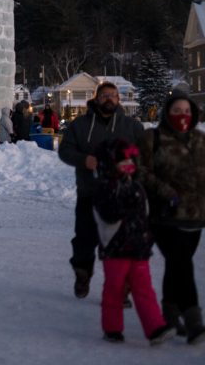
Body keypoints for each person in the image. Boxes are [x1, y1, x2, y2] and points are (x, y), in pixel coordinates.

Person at [58, 82, 144, 299]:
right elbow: (65, 150)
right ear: (96, 98)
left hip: (122, 195)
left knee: (120, 243)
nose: (109, 99)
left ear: (118, 99)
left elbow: (145, 154)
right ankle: (83, 273)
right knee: (84, 239)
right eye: (105, 95)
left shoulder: (131, 126)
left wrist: (131, 163)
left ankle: (121, 288)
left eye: (113, 95)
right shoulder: (80, 125)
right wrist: (83, 159)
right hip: (90, 191)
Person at [92, 138, 175, 345]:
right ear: (110, 163)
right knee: (115, 289)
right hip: (115, 248)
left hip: (138, 248)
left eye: (129, 160)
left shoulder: (135, 185)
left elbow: (144, 214)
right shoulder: (105, 187)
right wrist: (124, 205)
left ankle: (155, 328)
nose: (127, 164)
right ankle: (112, 328)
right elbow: (108, 215)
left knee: (144, 289)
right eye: (122, 160)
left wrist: (150, 232)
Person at [138, 91, 205, 345]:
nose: (182, 116)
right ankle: (193, 319)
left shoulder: (199, 140)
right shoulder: (152, 138)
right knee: (182, 265)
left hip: (195, 216)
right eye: (177, 111)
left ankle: (169, 312)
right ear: (167, 113)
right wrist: (164, 191)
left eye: (186, 112)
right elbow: (140, 170)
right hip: (164, 215)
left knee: (178, 264)